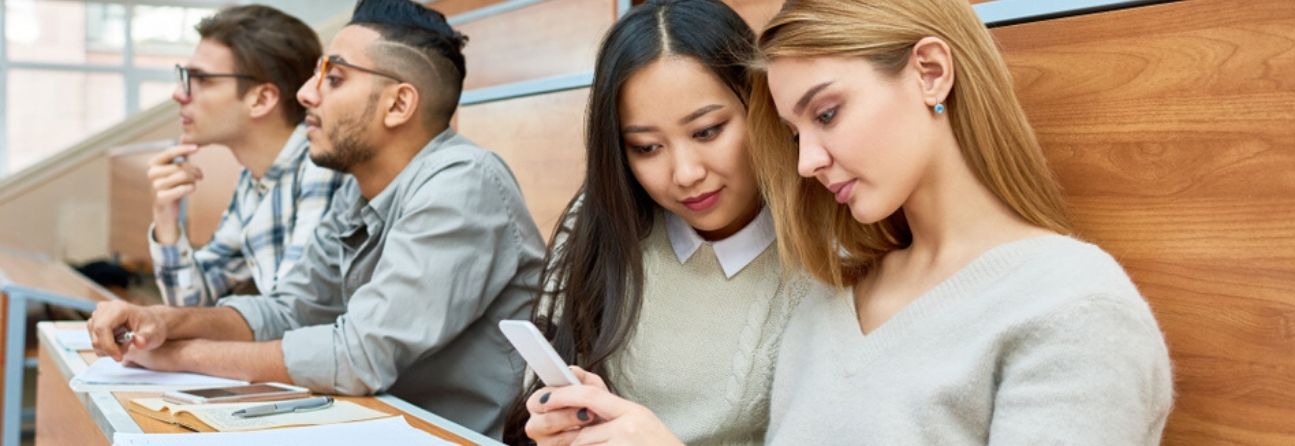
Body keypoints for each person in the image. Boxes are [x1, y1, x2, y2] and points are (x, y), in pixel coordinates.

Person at [87, 0, 545, 437]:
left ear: (399, 105)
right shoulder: (358, 187)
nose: (306, 94)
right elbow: (290, 310)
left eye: (335, 77)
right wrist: (164, 322)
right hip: (374, 421)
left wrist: (179, 356)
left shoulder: (463, 184)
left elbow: (358, 357)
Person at [745, 0, 1174, 443]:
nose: (806, 162)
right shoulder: (824, 304)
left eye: (827, 114)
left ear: (930, 72)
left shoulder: (1075, 307)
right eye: (796, 134)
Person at [511, 1, 818, 444]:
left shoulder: (827, 251)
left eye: (707, 131)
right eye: (647, 147)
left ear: (762, 105)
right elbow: (534, 407)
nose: (686, 173)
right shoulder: (600, 226)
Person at [148, 4, 345, 307]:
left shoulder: (319, 167)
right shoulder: (256, 179)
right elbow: (190, 299)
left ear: (262, 99)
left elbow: (294, 312)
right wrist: (166, 218)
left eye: (202, 79)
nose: (179, 93)